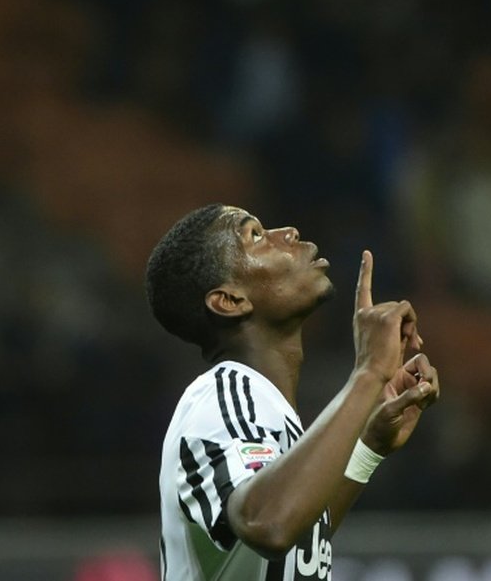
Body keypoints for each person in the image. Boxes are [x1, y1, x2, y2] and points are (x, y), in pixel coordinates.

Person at [146, 204, 440, 581]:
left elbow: (297, 539)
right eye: (255, 236)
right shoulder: (220, 398)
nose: (287, 232)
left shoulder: (264, 408)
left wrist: (369, 446)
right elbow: (268, 524)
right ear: (230, 300)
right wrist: (368, 373)